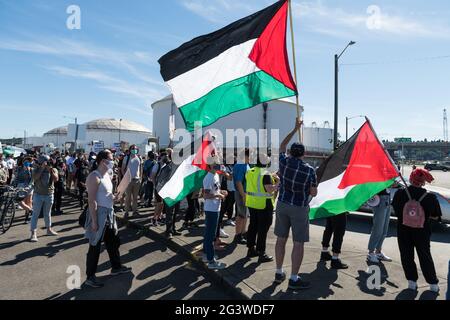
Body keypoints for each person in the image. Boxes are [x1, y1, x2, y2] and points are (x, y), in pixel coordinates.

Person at [274, 118, 317, 290]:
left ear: (291, 152)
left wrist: (294, 129)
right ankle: (293, 278)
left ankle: (278, 271)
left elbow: (281, 145)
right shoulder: (309, 170)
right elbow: (313, 193)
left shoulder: (284, 161)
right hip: (299, 207)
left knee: (280, 239)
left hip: (282, 204)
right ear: (303, 154)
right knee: (298, 242)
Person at [84, 149, 132, 288]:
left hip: (109, 214)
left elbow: (106, 194)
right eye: (111, 159)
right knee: (95, 245)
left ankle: (116, 267)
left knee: (113, 242)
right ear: (102, 161)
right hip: (99, 214)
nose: (113, 161)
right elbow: (91, 201)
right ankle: (90, 276)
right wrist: (94, 221)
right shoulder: (94, 176)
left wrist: (114, 198)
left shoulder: (107, 175)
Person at [392, 169, 441, 293]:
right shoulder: (430, 197)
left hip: (403, 229)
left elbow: (396, 211)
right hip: (422, 231)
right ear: (424, 181)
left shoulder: (400, 193)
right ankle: (433, 284)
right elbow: (436, 216)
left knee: (406, 255)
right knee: (425, 256)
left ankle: (412, 282)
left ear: (411, 178)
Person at [245, 152, 279, 263]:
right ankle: (261, 252)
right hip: (264, 205)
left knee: (253, 226)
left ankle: (250, 249)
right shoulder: (265, 174)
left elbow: (256, 182)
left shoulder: (250, 171)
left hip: (252, 203)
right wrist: (277, 182)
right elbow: (269, 189)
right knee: (263, 229)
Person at [202, 163, 228, 270]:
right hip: (211, 209)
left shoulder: (216, 175)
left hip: (215, 207)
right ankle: (211, 260)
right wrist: (218, 195)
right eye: (216, 163)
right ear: (211, 165)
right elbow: (206, 195)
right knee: (210, 235)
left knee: (209, 233)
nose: (219, 164)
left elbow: (214, 190)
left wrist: (221, 192)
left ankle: (206, 254)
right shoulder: (208, 177)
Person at [30, 155, 59, 242]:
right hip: (38, 195)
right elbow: (35, 178)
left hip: (49, 194)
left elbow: (56, 179)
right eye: (45, 162)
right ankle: (33, 233)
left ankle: (49, 230)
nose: (47, 164)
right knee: (35, 214)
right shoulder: (36, 169)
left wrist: (50, 170)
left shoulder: (53, 169)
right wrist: (42, 168)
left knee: (48, 213)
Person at [367, 189, 393, 263]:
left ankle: (378, 252)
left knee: (384, 230)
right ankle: (371, 253)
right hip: (379, 198)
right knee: (378, 228)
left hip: (387, 198)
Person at [233, 149, 250, 244]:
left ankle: (243, 233)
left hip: (245, 192)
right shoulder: (240, 165)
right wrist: (243, 195)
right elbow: (238, 182)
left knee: (245, 214)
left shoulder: (246, 165)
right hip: (241, 193)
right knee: (241, 215)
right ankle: (238, 235)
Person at [121, 145, 142, 217]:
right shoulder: (126, 158)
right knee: (128, 197)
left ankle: (135, 211)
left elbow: (140, 168)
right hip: (129, 180)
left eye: (136, 149)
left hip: (137, 180)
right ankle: (126, 212)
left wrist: (140, 178)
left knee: (135, 198)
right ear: (130, 150)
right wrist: (126, 178)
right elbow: (122, 169)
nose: (134, 150)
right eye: (133, 149)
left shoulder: (139, 158)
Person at [13, 157, 34, 223]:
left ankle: (27, 217)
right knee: (20, 201)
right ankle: (31, 211)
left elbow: (32, 180)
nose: (26, 163)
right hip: (20, 187)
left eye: (28, 162)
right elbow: (16, 178)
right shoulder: (19, 168)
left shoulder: (31, 170)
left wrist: (29, 186)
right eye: (25, 161)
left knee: (29, 201)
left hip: (29, 187)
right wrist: (14, 185)